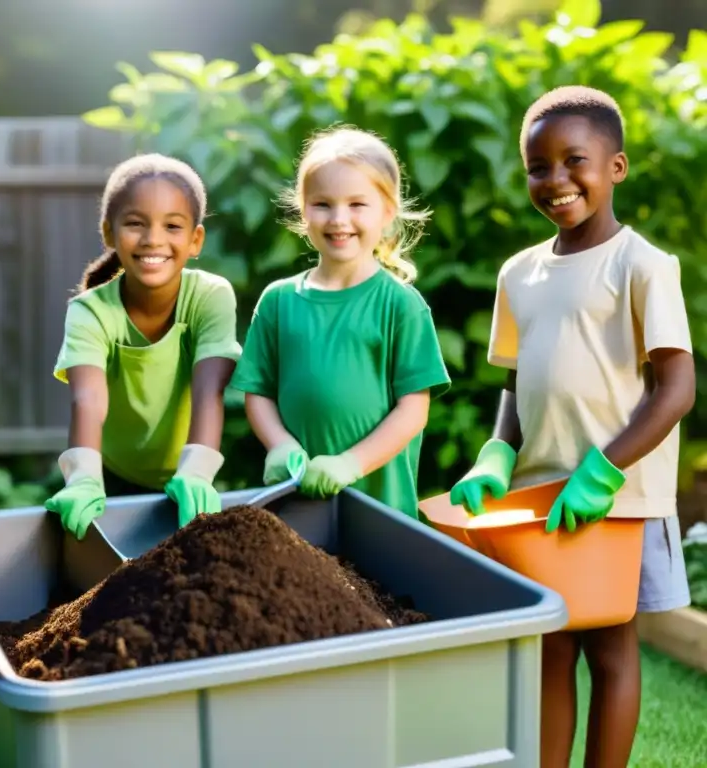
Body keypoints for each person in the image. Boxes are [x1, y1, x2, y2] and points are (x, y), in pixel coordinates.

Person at [449, 85, 695, 768]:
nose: (555, 180)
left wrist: (604, 469)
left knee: (611, 647)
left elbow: (676, 390)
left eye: (574, 161)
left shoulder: (642, 265)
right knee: (550, 645)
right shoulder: (519, 273)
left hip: (617, 499)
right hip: (537, 498)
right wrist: (497, 452)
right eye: (538, 166)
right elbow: (516, 383)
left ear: (615, 167)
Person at [228, 126, 450, 515]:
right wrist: (279, 444)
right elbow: (258, 391)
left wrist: (351, 464)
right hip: (296, 508)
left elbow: (414, 409)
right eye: (322, 204)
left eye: (357, 204)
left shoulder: (400, 305)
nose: (338, 218)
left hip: (380, 510)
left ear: (387, 212)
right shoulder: (279, 301)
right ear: (303, 210)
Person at [45, 153, 242, 540]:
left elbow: (209, 390)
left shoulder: (210, 297)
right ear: (109, 233)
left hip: (189, 479)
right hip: (113, 482)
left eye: (172, 226)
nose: (153, 239)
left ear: (195, 239)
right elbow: (87, 398)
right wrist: (84, 477)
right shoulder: (91, 311)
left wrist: (198, 472)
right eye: (136, 224)